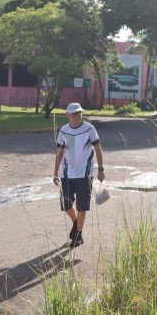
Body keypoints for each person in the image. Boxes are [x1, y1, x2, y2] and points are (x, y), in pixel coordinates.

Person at [53, 102, 105, 247]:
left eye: (79, 112)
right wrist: (55, 173)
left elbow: (98, 149)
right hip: (66, 175)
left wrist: (101, 169)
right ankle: (76, 223)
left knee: (82, 206)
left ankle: (78, 235)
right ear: (67, 115)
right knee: (67, 205)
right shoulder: (64, 130)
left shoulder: (89, 128)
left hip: (84, 175)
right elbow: (60, 153)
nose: (77, 115)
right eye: (74, 113)